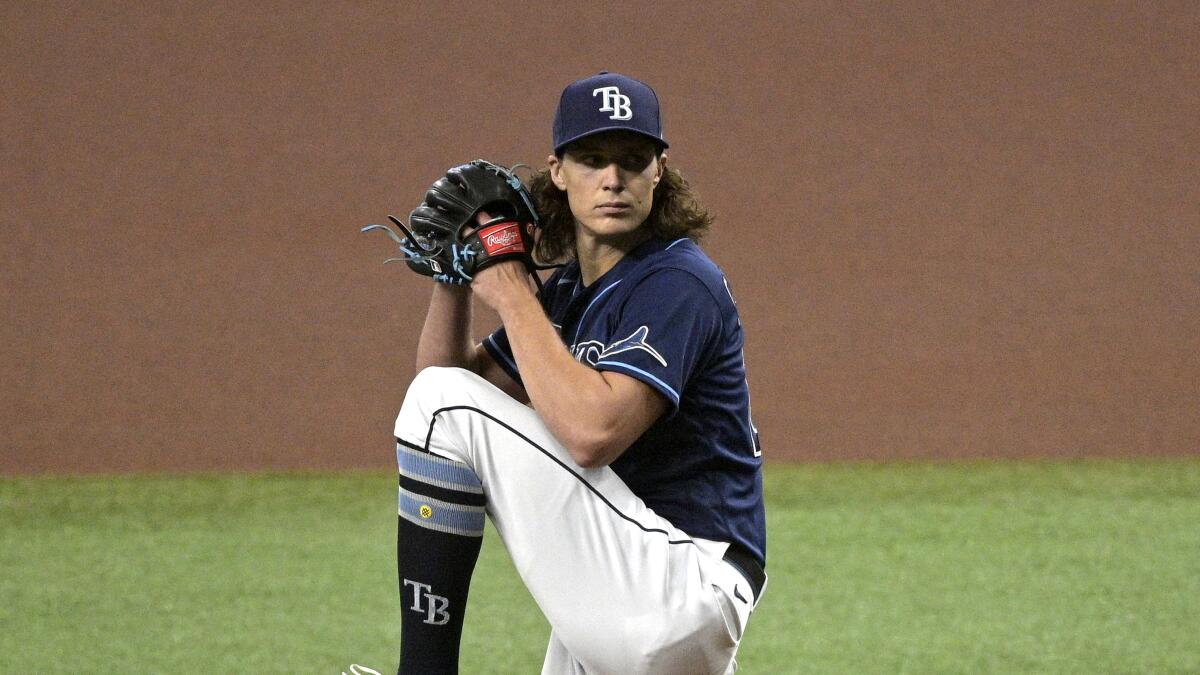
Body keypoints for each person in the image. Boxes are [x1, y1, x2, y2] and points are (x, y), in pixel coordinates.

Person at [391, 71, 766, 675]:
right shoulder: (570, 293)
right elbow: (449, 389)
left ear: (659, 170)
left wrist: (510, 289)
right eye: (592, 160)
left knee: (442, 404)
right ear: (558, 172)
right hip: (628, 582)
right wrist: (453, 276)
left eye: (631, 159)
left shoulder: (678, 282)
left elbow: (592, 435)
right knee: (441, 399)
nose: (613, 179)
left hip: (677, 581)